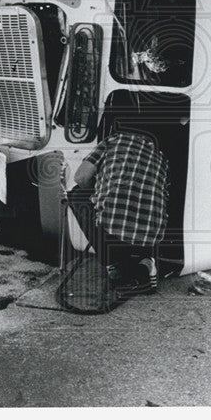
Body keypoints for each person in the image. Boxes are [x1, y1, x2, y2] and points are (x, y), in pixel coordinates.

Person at [68, 126, 170, 300]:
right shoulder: (161, 157)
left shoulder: (111, 141)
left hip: (112, 230)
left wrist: (96, 192)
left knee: (76, 194)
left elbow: (81, 177)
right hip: (150, 237)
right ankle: (146, 262)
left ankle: (113, 263)